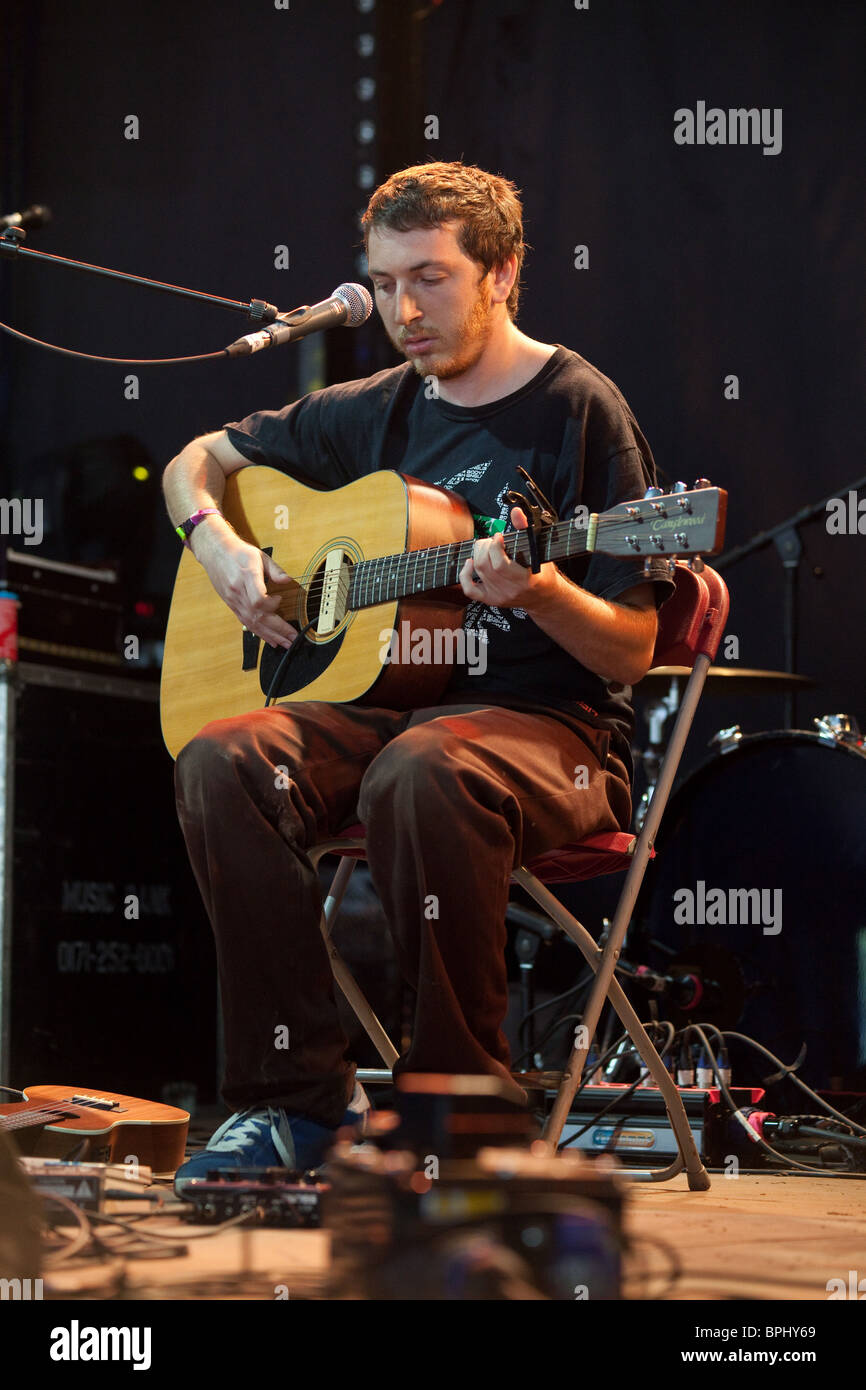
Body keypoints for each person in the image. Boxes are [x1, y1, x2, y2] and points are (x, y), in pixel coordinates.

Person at [162, 161, 673, 1190]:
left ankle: (459, 1116)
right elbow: (193, 463)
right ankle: (295, 1101)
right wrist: (218, 546)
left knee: (423, 771)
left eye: (432, 278)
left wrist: (535, 593)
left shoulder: (577, 407)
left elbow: (633, 648)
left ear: (503, 273)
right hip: (391, 713)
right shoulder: (373, 408)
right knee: (222, 760)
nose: (404, 309)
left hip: (552, 734)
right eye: (388, 280)